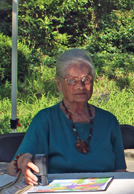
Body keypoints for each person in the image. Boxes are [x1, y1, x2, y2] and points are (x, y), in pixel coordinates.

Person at [7, 49, 126, 184]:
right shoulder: (45, 120)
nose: (80, 86)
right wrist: (22, 161)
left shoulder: (109, 121)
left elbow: (120, 171)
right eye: (71, 81)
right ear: (59, 84)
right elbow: (12, 170)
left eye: (86, 79)